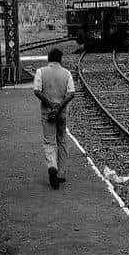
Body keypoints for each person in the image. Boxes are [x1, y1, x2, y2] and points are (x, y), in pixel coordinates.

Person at [34, 48, 75, 189]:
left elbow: (37, 91)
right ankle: (61, 173)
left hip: (47, 113)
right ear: (61, 59)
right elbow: (71, 93)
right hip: (61, 113)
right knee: (62, 140)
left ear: (48, 59)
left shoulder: (40, 72)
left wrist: (50, 105)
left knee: (49, 141)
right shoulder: (67, 73)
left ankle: (52, 166)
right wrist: (58, 107)